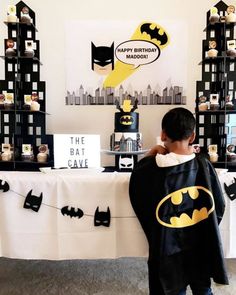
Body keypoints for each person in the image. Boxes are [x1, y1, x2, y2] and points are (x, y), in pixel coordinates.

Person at [129, 107, 229, 295]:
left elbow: (138, 192)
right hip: (200, 243)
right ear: (192, 137)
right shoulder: (203, 164)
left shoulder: (150, 167)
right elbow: (218, 204)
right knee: (203, 288)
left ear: (163, 134)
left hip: (167, 248)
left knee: (172, 290)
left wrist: (152, 153)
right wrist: (205, 228)